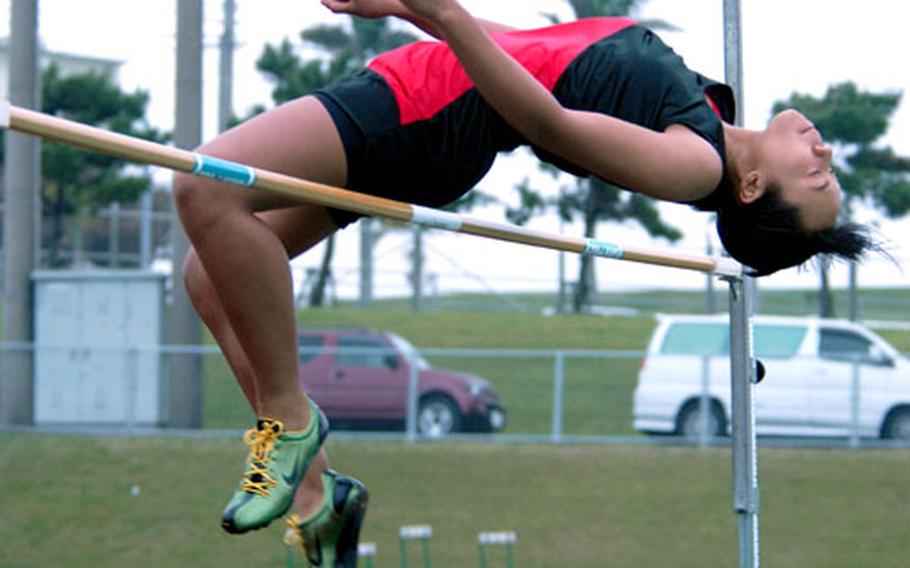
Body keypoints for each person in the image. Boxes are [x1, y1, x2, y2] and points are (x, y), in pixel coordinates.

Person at [173, 0, 873, 562]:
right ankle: (320, 496)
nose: (823, 148)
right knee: (210, 276)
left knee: (203, 187)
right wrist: (413, 11)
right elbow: (540, 51)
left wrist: (442, 14)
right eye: (827, 165)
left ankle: (290, 421)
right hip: (437, 98)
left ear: (751, 187)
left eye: (816, 173)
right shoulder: (701, 111)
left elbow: (550, 122)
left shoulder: (695, 161)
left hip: (431, 104)